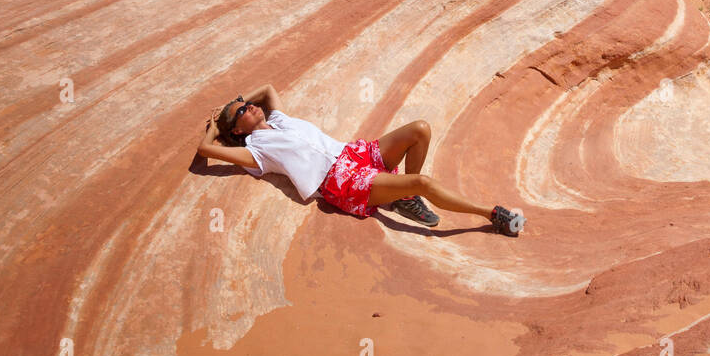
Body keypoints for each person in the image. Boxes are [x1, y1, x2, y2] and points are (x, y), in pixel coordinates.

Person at [196, 84, 525, 236]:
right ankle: (492, 215)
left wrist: (239, 102)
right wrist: (214, 129)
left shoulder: (279, 120)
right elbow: (206, 152)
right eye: (241, 111)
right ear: (238, 129)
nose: (249, 106)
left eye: (245, 103)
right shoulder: (256, 149)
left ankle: (405, 198)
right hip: (340, 181)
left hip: (355, 153)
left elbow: (267, 90)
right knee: (423, 181)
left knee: (420, 129)